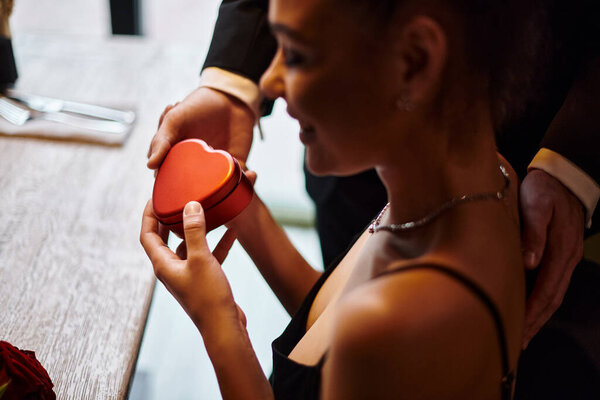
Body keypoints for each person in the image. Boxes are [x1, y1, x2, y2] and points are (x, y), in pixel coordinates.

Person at [146, 0, 600, 397]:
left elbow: (361, 341)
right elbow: (324, 330)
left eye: (298, 55)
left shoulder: (384, 330)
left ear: (415, 60)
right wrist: (236, 202)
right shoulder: (479, 187)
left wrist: (219, 325)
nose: (270, 80)